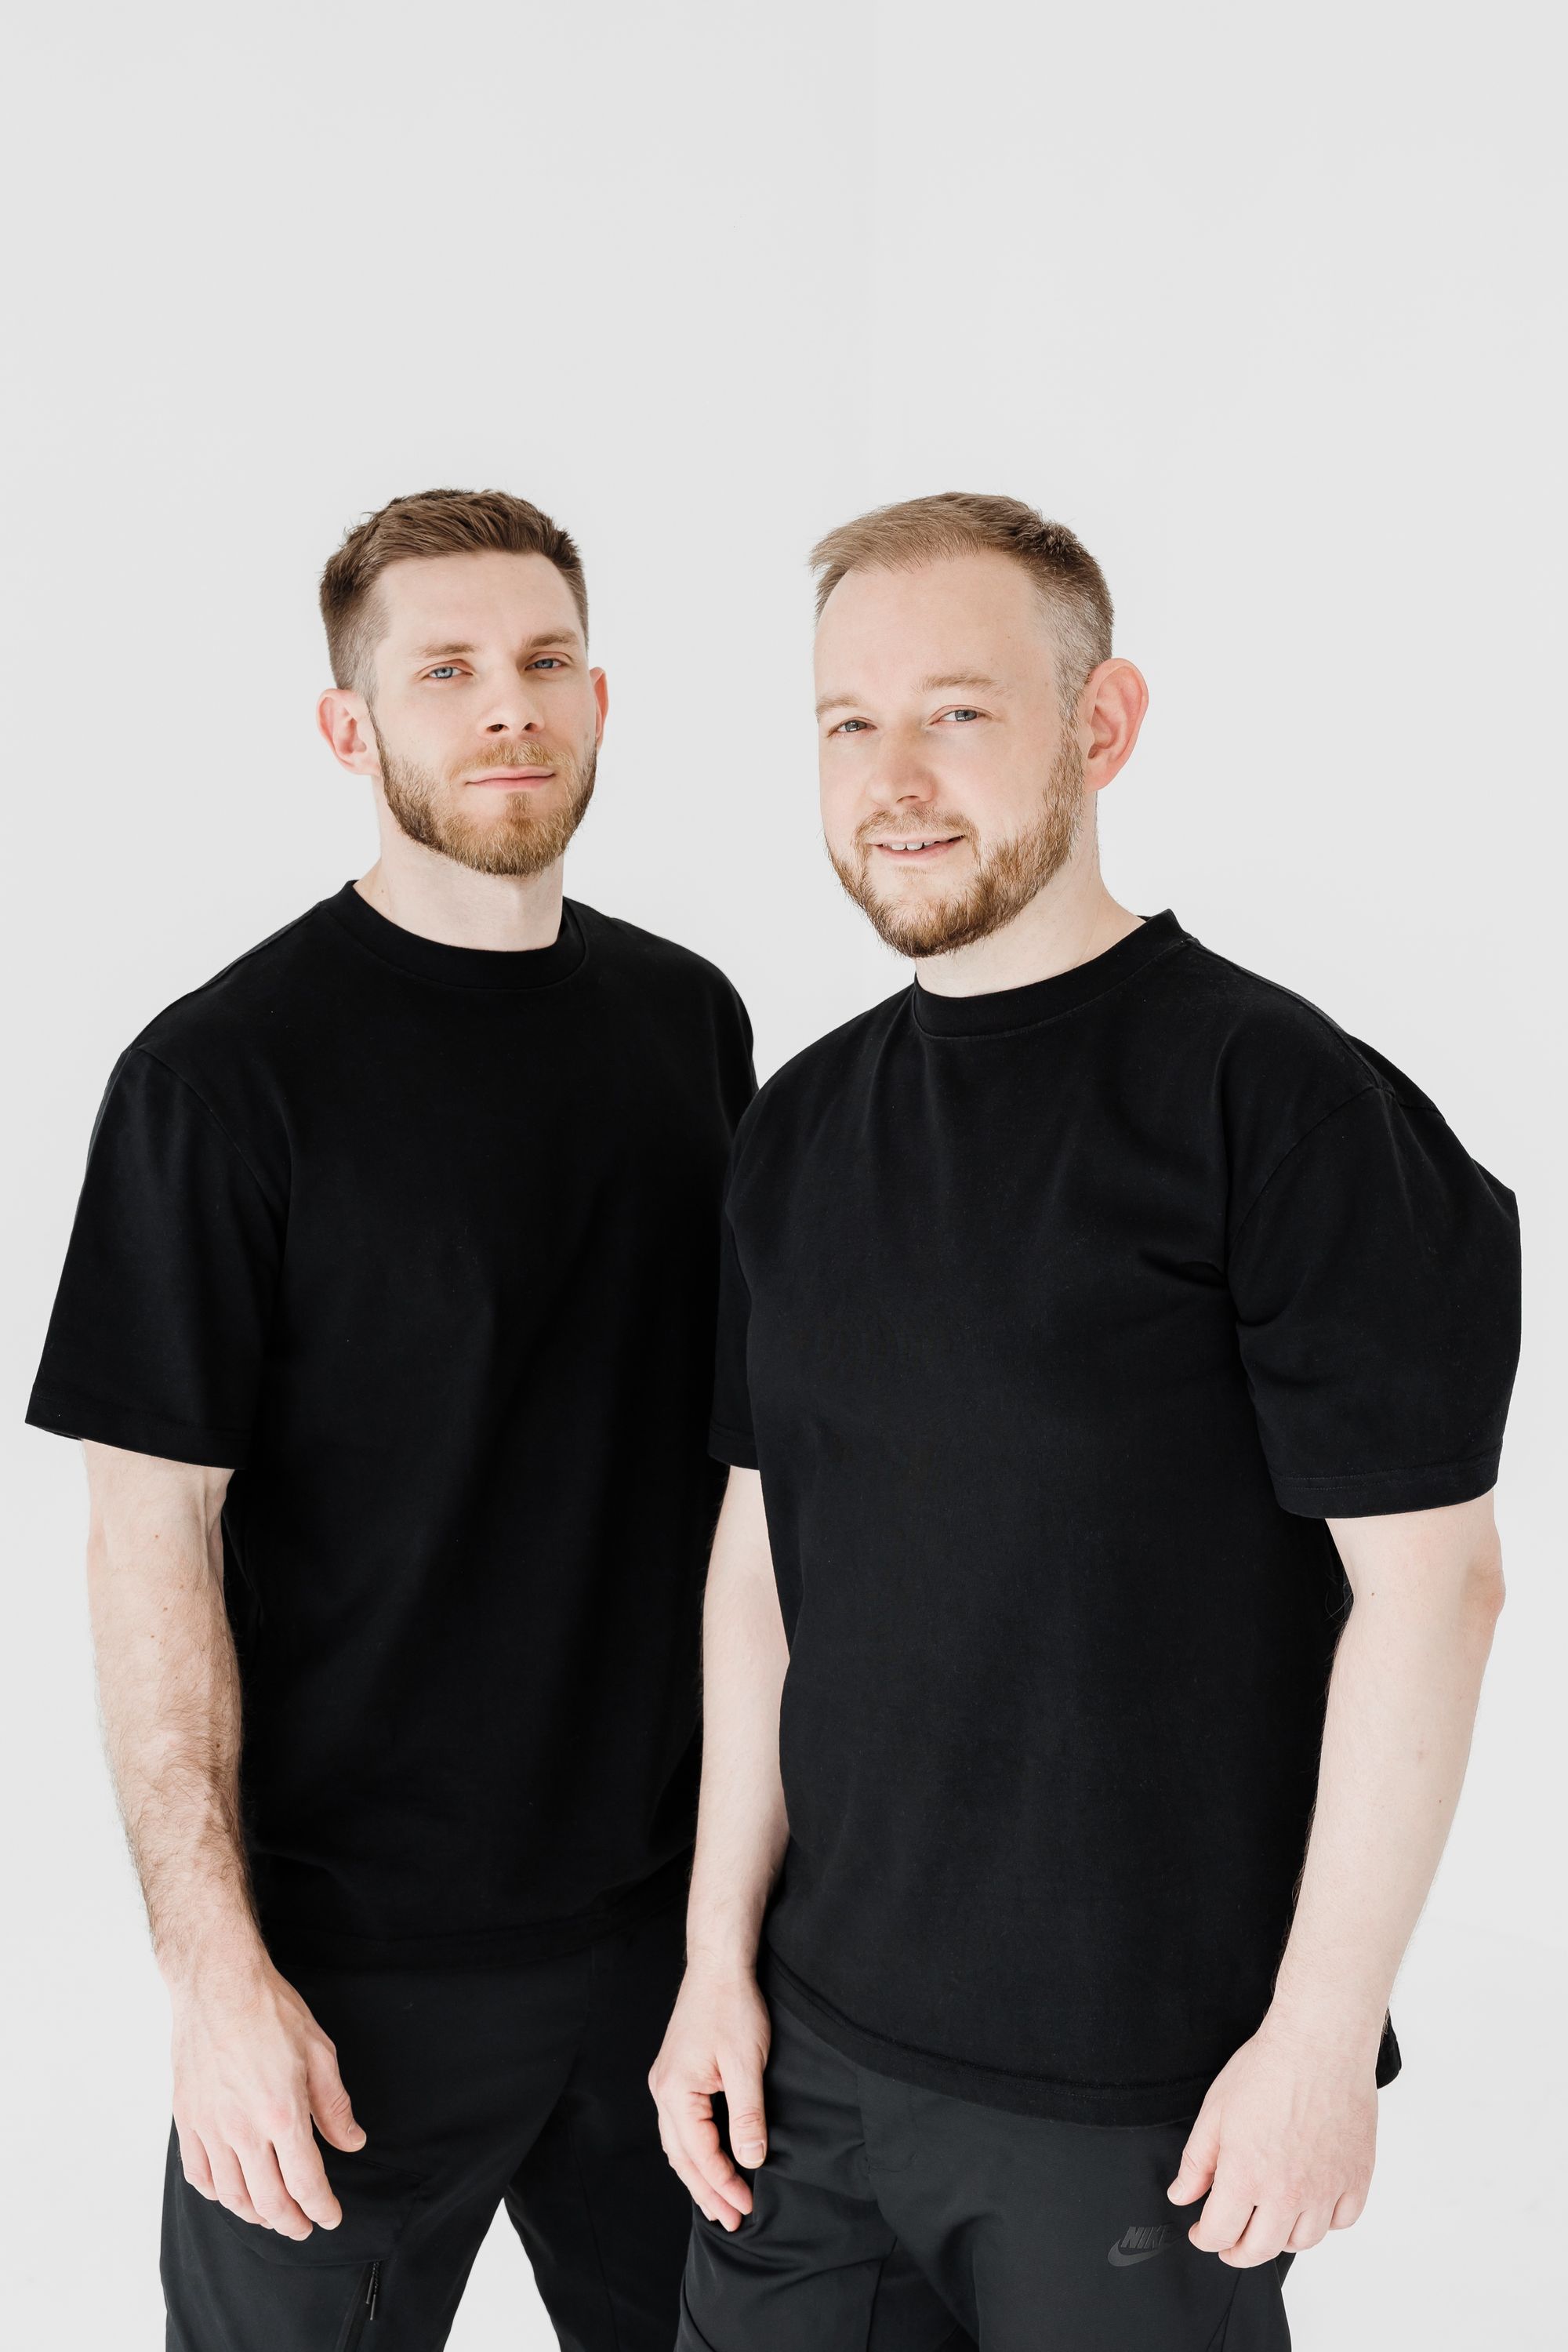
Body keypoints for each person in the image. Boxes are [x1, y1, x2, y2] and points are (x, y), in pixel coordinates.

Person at [652, 493, 1521, 2352]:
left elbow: (1433, 1593)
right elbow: (759, 1563)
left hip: (1136, 2099)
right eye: (846, 722)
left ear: (1100, 723)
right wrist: (715, 1956)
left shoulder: (1277, 1104)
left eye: (956, 712)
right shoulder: (798, 1126)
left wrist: (1317, 2037)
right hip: (811, 2068)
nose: (892, 777)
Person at [27, 488, 754, 2350]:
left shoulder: (690, 1025)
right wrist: (214, 1980)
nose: (506, 705)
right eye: (443, 671)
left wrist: (750, 1918)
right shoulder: (219, 1078)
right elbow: (149, 1539)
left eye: (543, 662)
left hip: (672, 1953)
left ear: (600, 701)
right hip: (345, 1980)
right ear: (348, 728)